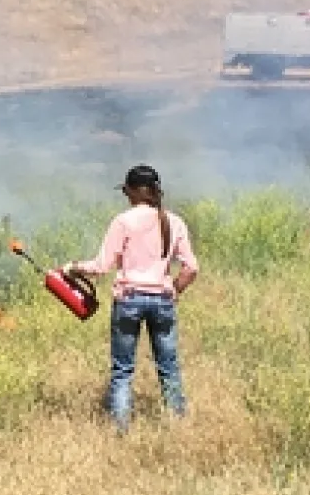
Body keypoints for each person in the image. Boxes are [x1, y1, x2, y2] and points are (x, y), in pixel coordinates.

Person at [63, 164, 200, 435]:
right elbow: (191, 268)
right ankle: (178, 426)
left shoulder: (123, 221)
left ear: (135, 191)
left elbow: (102, 266)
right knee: (168, 367)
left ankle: (120, 430)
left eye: (126, 192)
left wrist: (73, 267)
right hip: (162, 300)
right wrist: (174, 291)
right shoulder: (175, 221)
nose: (126, 197)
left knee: (123, 370)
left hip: (128, 300)